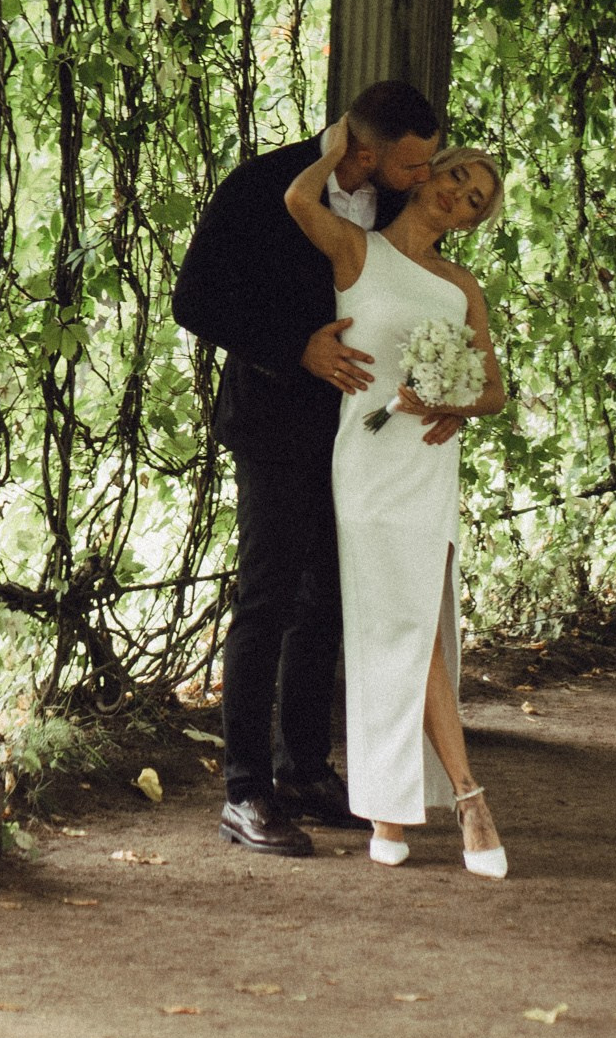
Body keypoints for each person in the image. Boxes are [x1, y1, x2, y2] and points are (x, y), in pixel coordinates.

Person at [170, 81, 442, 856]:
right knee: (267, 596)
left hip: (362, 433)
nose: (423, 178)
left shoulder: (392, 205)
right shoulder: (263, 185)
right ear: (365, 150)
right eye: (413, 164)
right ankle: (245, 790)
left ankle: (303, 770)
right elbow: (195, 299)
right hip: (275, 423)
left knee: (326, 599)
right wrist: (297, 345)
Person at [283, 130, 510, 876]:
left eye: (475, 200)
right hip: (368, 465)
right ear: (428, 175)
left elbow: (494, 390)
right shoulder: (357, 250)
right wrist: (338, 144)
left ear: (473, 222)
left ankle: (392, 811)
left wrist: (452, 402)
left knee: (417, 628)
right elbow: (295, 197)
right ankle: (467, 797)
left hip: (426, 463)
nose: (459, 195)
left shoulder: (460, 286)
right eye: (457, 177)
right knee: (397, 629)